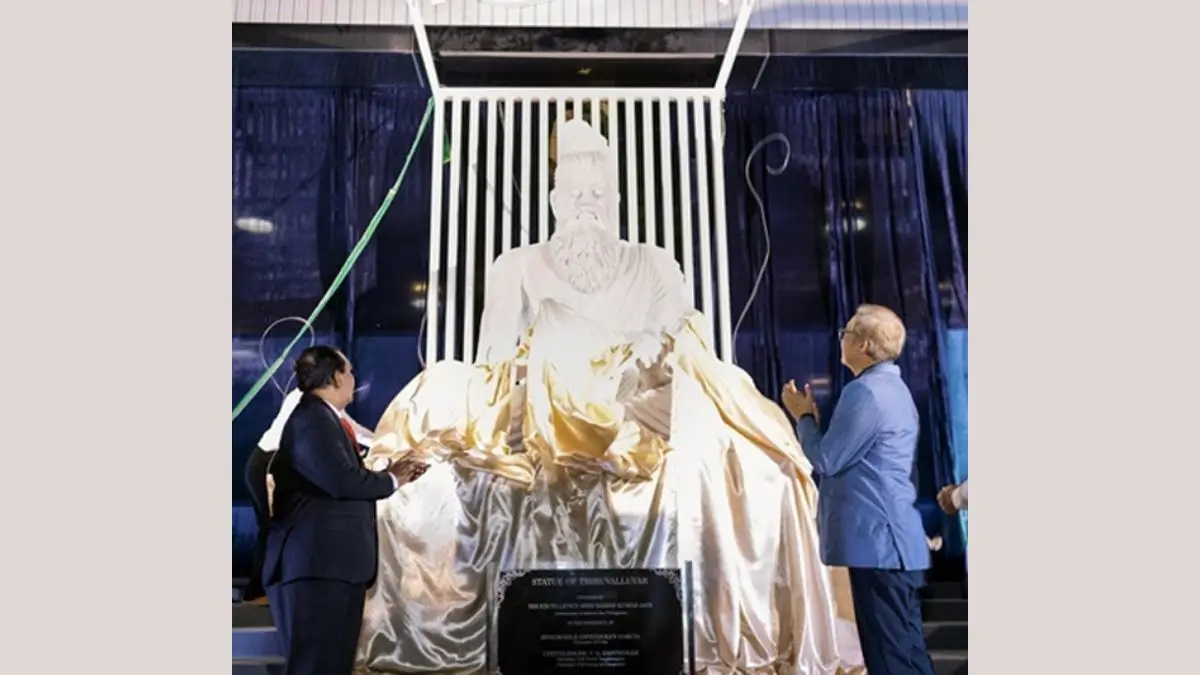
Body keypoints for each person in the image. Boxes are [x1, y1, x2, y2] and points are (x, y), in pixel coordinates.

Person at [354, 119, 864, 675]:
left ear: (617, 199)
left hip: (635, 399)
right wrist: (555, 358)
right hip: (545, 399)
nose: (587, 206)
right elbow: (495, 360)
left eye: (598, 195)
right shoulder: (517, 267)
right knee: (448, 409)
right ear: (553, 201)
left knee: (749, 454)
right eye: (575, 195)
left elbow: (678, 331)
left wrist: (641, 353)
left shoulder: (653, 262)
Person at [782, 304, 934, 675]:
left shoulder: (864, 392)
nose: (842, 340)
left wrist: (801, 417)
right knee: (907, 647)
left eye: (846, 334)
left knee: (888, 654)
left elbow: (828, 460)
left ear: (863, 344)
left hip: (877, 544)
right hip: (894, 541)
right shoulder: (895, 389)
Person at [263, 345, 430, 675]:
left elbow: (339, 478)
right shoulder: (312, 419)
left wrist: (389, 474)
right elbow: (340, 481)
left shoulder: (325, 418)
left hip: (332, 566)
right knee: (315, 664)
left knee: (333, 663)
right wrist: (391, 480)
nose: (354, 379)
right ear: (337, 376)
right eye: (350, 372)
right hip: (318, 566)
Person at [242, 387, 374, 604]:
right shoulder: (305, 400)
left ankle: (273, 590)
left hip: (282, 468)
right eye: (346, 372)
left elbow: (354, 431)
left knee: (286, 531)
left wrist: (384, 443)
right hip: (268, 467)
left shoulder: (324, 404)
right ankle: (257, 593)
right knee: (273, 530)